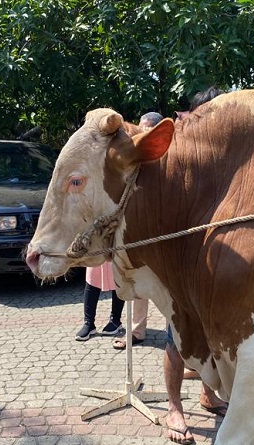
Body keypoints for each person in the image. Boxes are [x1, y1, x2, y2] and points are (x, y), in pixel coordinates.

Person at [165, 86, 229, 445]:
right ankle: (174, 407)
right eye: (210, 113)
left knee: (211, 337)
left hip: (215, 261)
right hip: (182, 263)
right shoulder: (179, 152)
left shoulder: (226, 153)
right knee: (178, 336)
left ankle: (209, 394)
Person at [112, 111, 165, 350]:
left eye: (145, 129)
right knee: (137, 283)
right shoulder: (133, 159)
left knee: (168, 287)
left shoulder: (165, 157)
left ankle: (176, 337)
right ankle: (136, 331)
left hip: (162, 232)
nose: (140, 134)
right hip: (138, 232)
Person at [76, 262, 125, 341]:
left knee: (117, 278)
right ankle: (88, 323)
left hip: (114, 252)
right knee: (92, 279)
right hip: (96, 252)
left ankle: (115, 320)